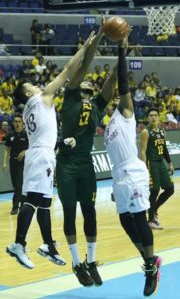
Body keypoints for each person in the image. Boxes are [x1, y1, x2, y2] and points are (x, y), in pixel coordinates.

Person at [6, 31, 96, 269]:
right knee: (33, 200)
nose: (36, 85)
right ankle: (18, 244)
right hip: (41, 156)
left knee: (44, 202)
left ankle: (48, 244)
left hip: (41, 152)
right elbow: (67, 70)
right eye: (32, 85)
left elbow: (45, 133)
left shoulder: (28, 111)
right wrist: (85, 48)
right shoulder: (42, 97)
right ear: (28, 93)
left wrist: (62, 142)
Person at [55, 18, 117, 288]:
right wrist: (100, 37)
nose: (89, 88)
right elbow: (82, 67)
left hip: (85, 165)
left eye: (91, 88)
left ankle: (91, 262)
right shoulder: (69, 97)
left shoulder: (96, 107)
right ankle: (76, 262)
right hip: (66, 165)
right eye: (85, 87)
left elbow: (111, 85)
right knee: (70, 214)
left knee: (90, 213)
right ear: (77, 89)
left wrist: (122, 56)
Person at [104, 37, 162, 297]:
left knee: (139, 220)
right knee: (125, 222)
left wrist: (120, 50)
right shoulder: (107, 126)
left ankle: (150, 267)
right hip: (119, 176)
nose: (118, 94)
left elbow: (123, 80)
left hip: (133, 172)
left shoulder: (126, 112)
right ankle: (149, 258)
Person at [140, 108, 174, 229]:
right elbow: (142, 151)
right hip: (151, 163)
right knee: (154, 190)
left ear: (159, 117)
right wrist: (144, 167)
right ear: (147, 118)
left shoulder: (162, 131)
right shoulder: (145, 132)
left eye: (155, 115)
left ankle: (153, 209)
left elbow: (164, 148)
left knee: (170, 189)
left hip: (160, 163)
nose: (153, 117)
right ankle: (151, 220)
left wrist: (169, 162)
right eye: (151, 115)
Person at [3, 114, 28, 214]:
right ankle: (23, 204)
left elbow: (33, 147)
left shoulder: (26, 134)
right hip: (13, 162)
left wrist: (25, 151)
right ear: (13, 123)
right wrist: (4, 162)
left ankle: (15, 207)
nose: (17, 124)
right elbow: (6, 149)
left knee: (19, 184)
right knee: (16, 185)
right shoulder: (10, 135)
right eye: (15, 122)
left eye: (19, 122)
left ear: (22, 123)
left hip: (23, 163)